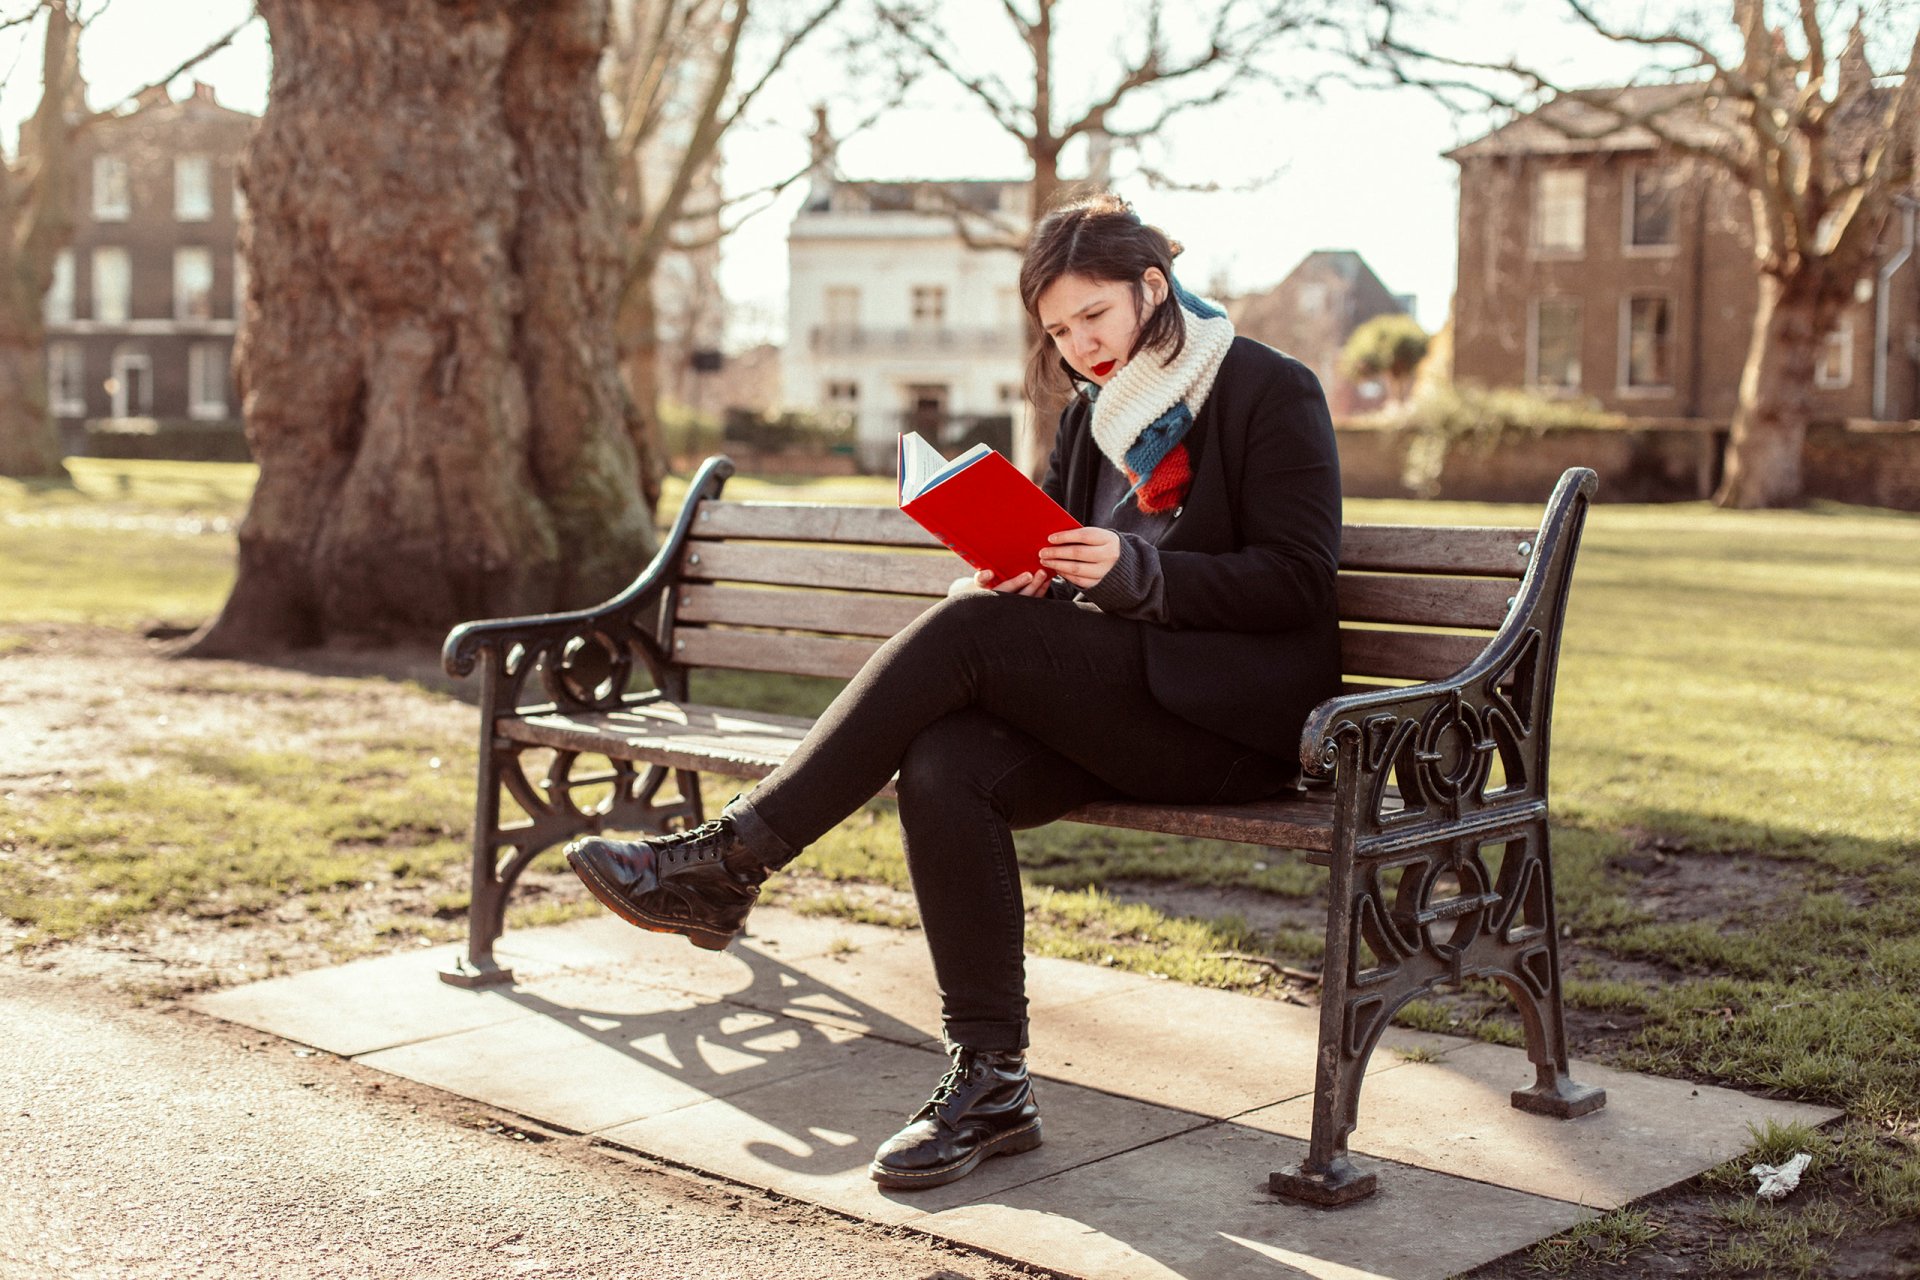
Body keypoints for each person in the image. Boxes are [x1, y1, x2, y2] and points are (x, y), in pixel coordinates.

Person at [564, 192, 1342, 1191]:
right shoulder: (1094, 413)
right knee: (945, 759)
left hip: (1237, 723)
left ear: (1154, 287)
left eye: (1094, 316)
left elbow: (1297, 575)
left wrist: (1136, 573)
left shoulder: (1269, 388)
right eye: (1058, 329)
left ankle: (733, 857)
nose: (1081, 344)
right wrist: (1032, 570)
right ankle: (991, 1078)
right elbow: (1068, 557)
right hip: (1128, 699)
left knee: (971, 640)